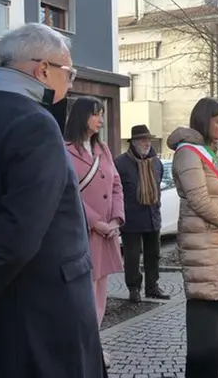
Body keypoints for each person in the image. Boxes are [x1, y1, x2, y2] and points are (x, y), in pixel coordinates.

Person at [0, 23, 106, 378]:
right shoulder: (34, 122)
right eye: (69, 71)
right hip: (38, 316)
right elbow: (18, 239)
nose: (71, 82)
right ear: (42, 70)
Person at [168, 97, 218, 378]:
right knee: (205, 324)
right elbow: (199, 200)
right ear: (205, 121)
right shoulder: (189, 153)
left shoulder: (212, 152)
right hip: (203, 247)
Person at [65, 96, 126, 368]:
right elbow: (68, 194)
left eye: (102, 114)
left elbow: (116, 185)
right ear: (81, 117)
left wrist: (116, 218)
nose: (101, 120)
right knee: (84, 298)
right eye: (96, 115)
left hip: (107, 233)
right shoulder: (65, 150)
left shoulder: (103, 148)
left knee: (101, 293)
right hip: (83, 234)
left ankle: (94, 346)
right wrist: (95, 221)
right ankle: (84, 349)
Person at [114, 124, 170, 303]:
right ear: (134, 142)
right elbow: (116, 191)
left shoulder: (156, 162)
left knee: (153, 254)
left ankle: (152, 287)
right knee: (132, 256)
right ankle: (134, 288)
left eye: (148, 139)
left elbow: (159, 184)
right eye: (143, 140)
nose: (147, 143)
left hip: (152, 216)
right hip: (131, 219)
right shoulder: (121, 163)